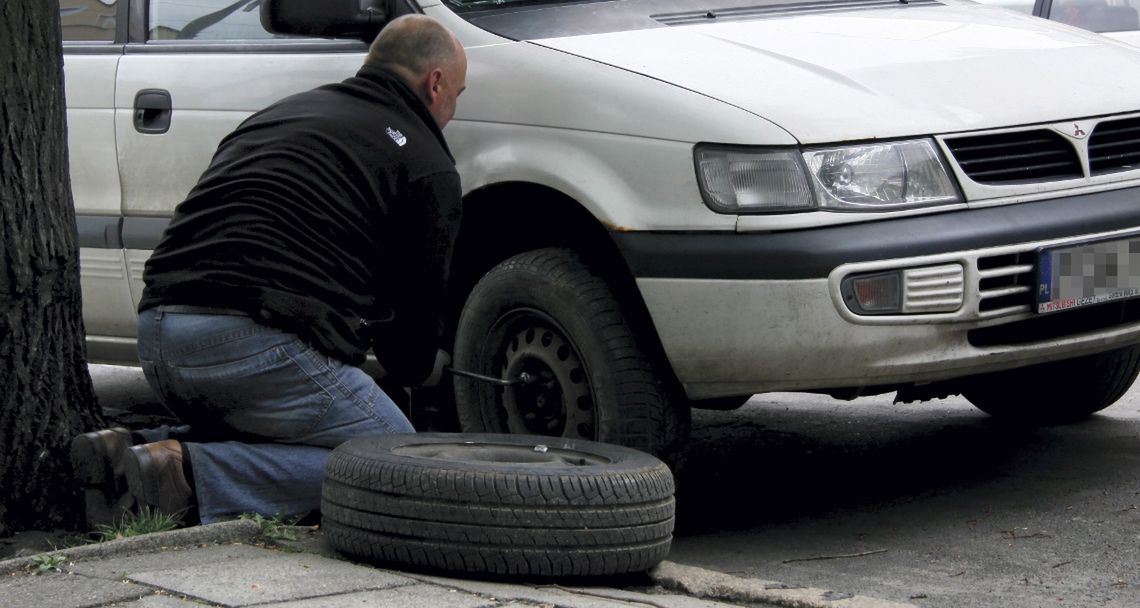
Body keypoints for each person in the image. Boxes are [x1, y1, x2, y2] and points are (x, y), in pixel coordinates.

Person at [70, 14, 467, 528]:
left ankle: (129, 453)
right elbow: (413, 317)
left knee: (293, 422)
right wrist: (423, 366)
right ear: (434, 84)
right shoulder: (427, 163)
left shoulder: (281, 114)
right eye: (458, 93)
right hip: (250, 345)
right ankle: (188, 471)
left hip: (157, 336)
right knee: (394, 465)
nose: (453, 108)